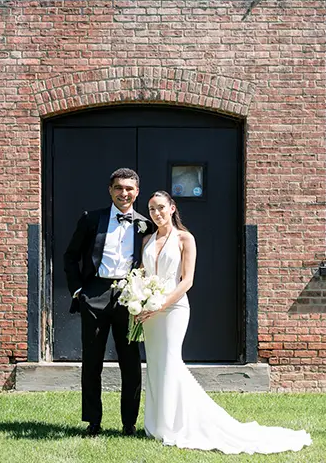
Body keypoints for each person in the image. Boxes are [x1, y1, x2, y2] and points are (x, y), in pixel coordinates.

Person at [137, 191, 312, 454]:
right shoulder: (147, 240)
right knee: (155, 364)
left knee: (171, 363)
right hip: (149, 314)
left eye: (161, 207)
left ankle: (174, 426)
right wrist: (138, 299)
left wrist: (160, 304)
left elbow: (187, 280)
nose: (156, 213)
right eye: (151, 210)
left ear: (172, 208)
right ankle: (155, 423)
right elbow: (143, 273)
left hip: (173, 310)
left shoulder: (185, 238)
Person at [63, 167, 151, 437]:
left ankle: (129, 423)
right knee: (92, 361)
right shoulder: (92, 219)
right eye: (118, 188)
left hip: (130, 296)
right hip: (96, 294)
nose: (123, 193)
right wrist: (79, 291)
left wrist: (145, 295)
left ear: (137, 192)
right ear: (110, 190)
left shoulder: (146, 224)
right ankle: (93, 421)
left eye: (129, 189)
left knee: (131, 362)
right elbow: (70, 256)